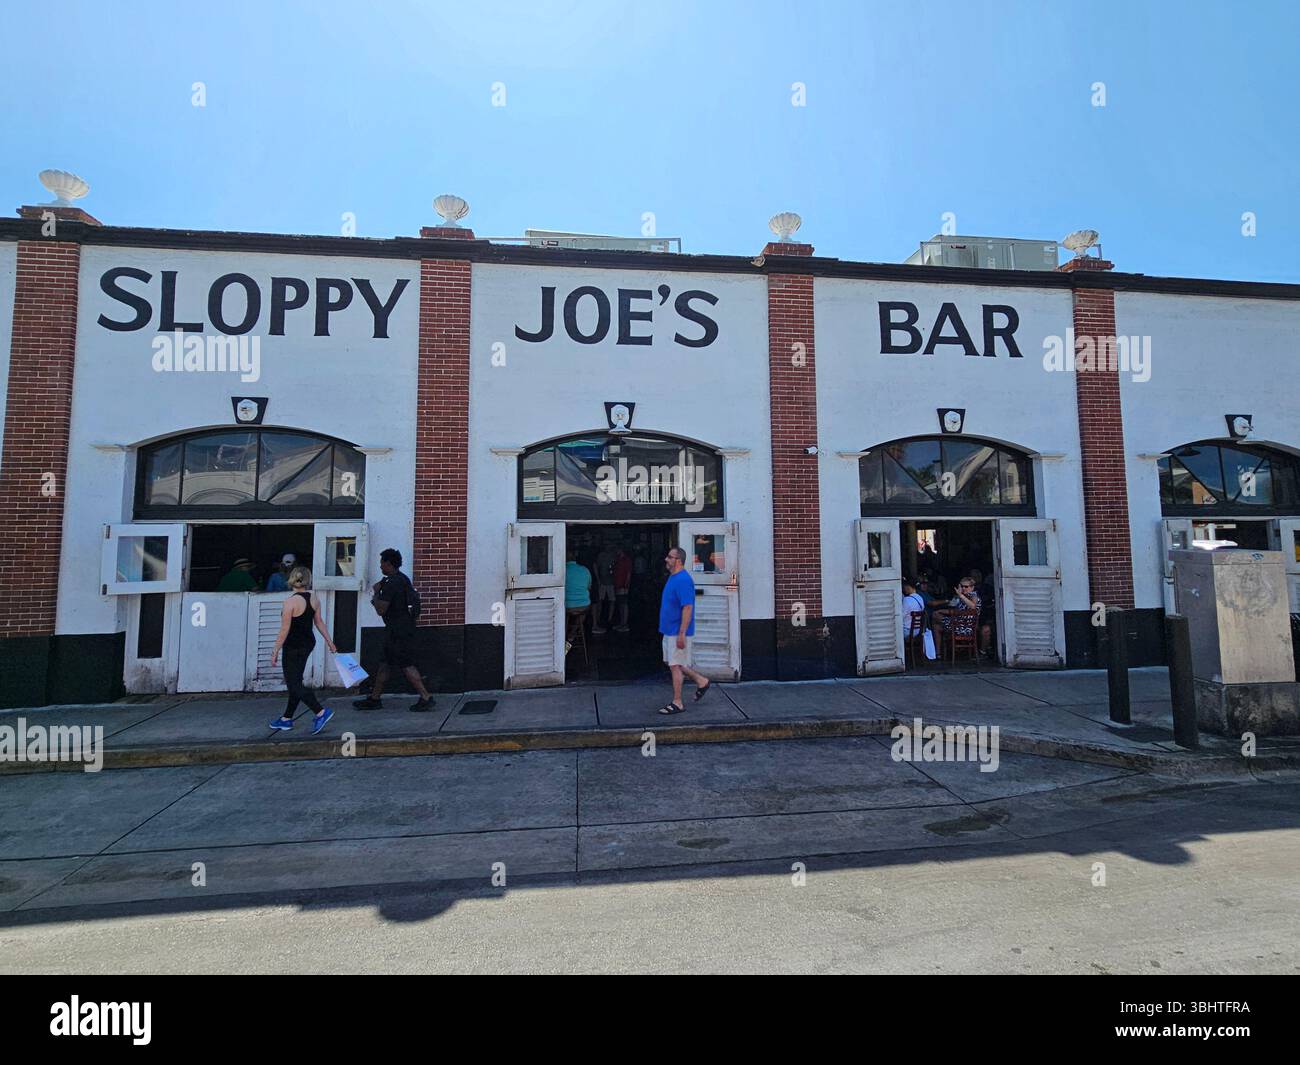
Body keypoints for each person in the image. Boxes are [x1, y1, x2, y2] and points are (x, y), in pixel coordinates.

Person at [353, 548, 435, 712]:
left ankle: (426, 697)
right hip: (400, 629)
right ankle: (375, 698)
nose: (380, 566)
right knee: (384, 664)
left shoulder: (392, 584)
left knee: (406, 664)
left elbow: (381, 610)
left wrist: (376, 594)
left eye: (382, 563)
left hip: (398, 632)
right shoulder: (403, 580)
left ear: (389, 563)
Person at [268, 567, 337, 734]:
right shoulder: (314, 598)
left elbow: (284, 629)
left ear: (291, 579)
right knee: (295, 681)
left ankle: (320, 712)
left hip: (293, 646)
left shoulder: (290, 602)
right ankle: (286, 718)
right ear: (308, 579)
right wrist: (330, 642)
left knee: (294, 684)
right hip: (307, 644)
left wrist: (275, 649)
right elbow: (319, 622)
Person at [657, 546, 711, 714]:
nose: (666, 559)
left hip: (676, 632)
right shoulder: (673, 577)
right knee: (671, 662)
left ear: (678, 560)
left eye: (669, 557)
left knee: (675, 665)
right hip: (669, 630)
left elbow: (687, 608)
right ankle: (701, 680)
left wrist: (682, 634)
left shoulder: (683, 580)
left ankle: (678, 702)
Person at [930, 576, 981, 650]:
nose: (963, 588)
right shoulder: (964, 597)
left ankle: (941, 650)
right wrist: (941, 610)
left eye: (966, 587)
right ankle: (937, 653)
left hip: (966, 627)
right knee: (936, 626)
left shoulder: (974, 595)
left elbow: (973, 606)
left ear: (972, 587)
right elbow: (957, 611)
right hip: (958, 624)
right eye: (962, 586)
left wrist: (960, 595)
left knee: (935, 616)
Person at [563, 549, 592, 655]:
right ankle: (572, 634)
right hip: (583, 606)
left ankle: (564, 636)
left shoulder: (562, 570)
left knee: (564, 614)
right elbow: (589, 587)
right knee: (581, 613)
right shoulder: (585, 570)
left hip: (567, 606)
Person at [593, 544, 617, 634]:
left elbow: (616, 568)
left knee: (612, 600)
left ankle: (609, 619)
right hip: (602, 582)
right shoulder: (601, 556)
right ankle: (598, 618)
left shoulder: (613, 555)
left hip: (611, 582)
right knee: (600, 600)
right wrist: (598, 579)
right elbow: (596, 566)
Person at [613, 547, 632, 632]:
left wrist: (626, 585)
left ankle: (625, 624)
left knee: (624, 604)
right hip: (617, 584)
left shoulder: (626, 560)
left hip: (623, 586)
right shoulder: (617, 560)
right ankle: (622, 623)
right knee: (620, 604)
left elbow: (628, 573)